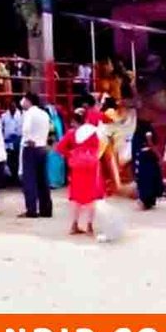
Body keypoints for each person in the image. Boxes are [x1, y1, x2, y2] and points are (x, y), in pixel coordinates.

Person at [57, 106, 105, 235]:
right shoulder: (94, 132)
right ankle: (89, 225)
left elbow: (59, 148)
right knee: (92, 196)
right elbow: (100, 146)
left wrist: (71, 154)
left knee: (77, 197)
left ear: (74, 121)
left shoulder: (72, 133)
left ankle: (74, 224)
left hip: (77, 167)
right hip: (92, 166)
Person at [18, 92, 53, 219]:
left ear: (28, 101)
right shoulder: (44, 113)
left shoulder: (29, 114)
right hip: (42, 147)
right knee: (43, 179)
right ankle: (46, 209)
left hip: (31, 147)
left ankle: (31, 210)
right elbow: (50, 128)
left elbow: (25, 130)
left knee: (30, 180)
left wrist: (29, 139)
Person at [131, 111, 164, 209]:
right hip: (148, 157)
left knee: (145, 179)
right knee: (149, 179)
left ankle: (147, 200)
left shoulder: (138, 129)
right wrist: (158, 155)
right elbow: (150, 143)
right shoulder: (147, 129)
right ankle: (148, 200)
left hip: (142, 157)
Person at [44, 100, 68, 190]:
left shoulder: (59, 120)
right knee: (51, 163)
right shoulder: (50, 120)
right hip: (52, 144)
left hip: (58, 144)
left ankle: (58, 181)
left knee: (58, 164)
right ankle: (51, 182)